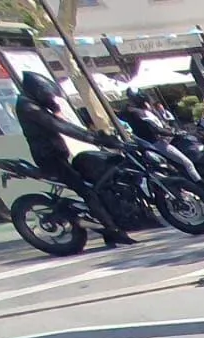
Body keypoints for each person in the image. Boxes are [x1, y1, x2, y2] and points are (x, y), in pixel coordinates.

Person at [13, 70, 134, 247]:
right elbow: (60, 126)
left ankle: (112, 221)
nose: (50, 98)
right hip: (49, 158)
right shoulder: (28, 107)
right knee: (87, 191)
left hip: (58, 153)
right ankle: (113, 231)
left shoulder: (34, 104)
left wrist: (95, 135)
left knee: (100, 181)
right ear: (37, 91)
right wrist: (95, 138)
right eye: (47, 95)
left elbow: (63, 123)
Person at [118, 89, 204, 191]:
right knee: (187, 163)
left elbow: (161, 124)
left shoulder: (140, 111)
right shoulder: (139, 113)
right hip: (157, 143)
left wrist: (173, 129)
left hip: (157, 142)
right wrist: (174, 132)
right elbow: (155, 129)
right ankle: (203, 189)